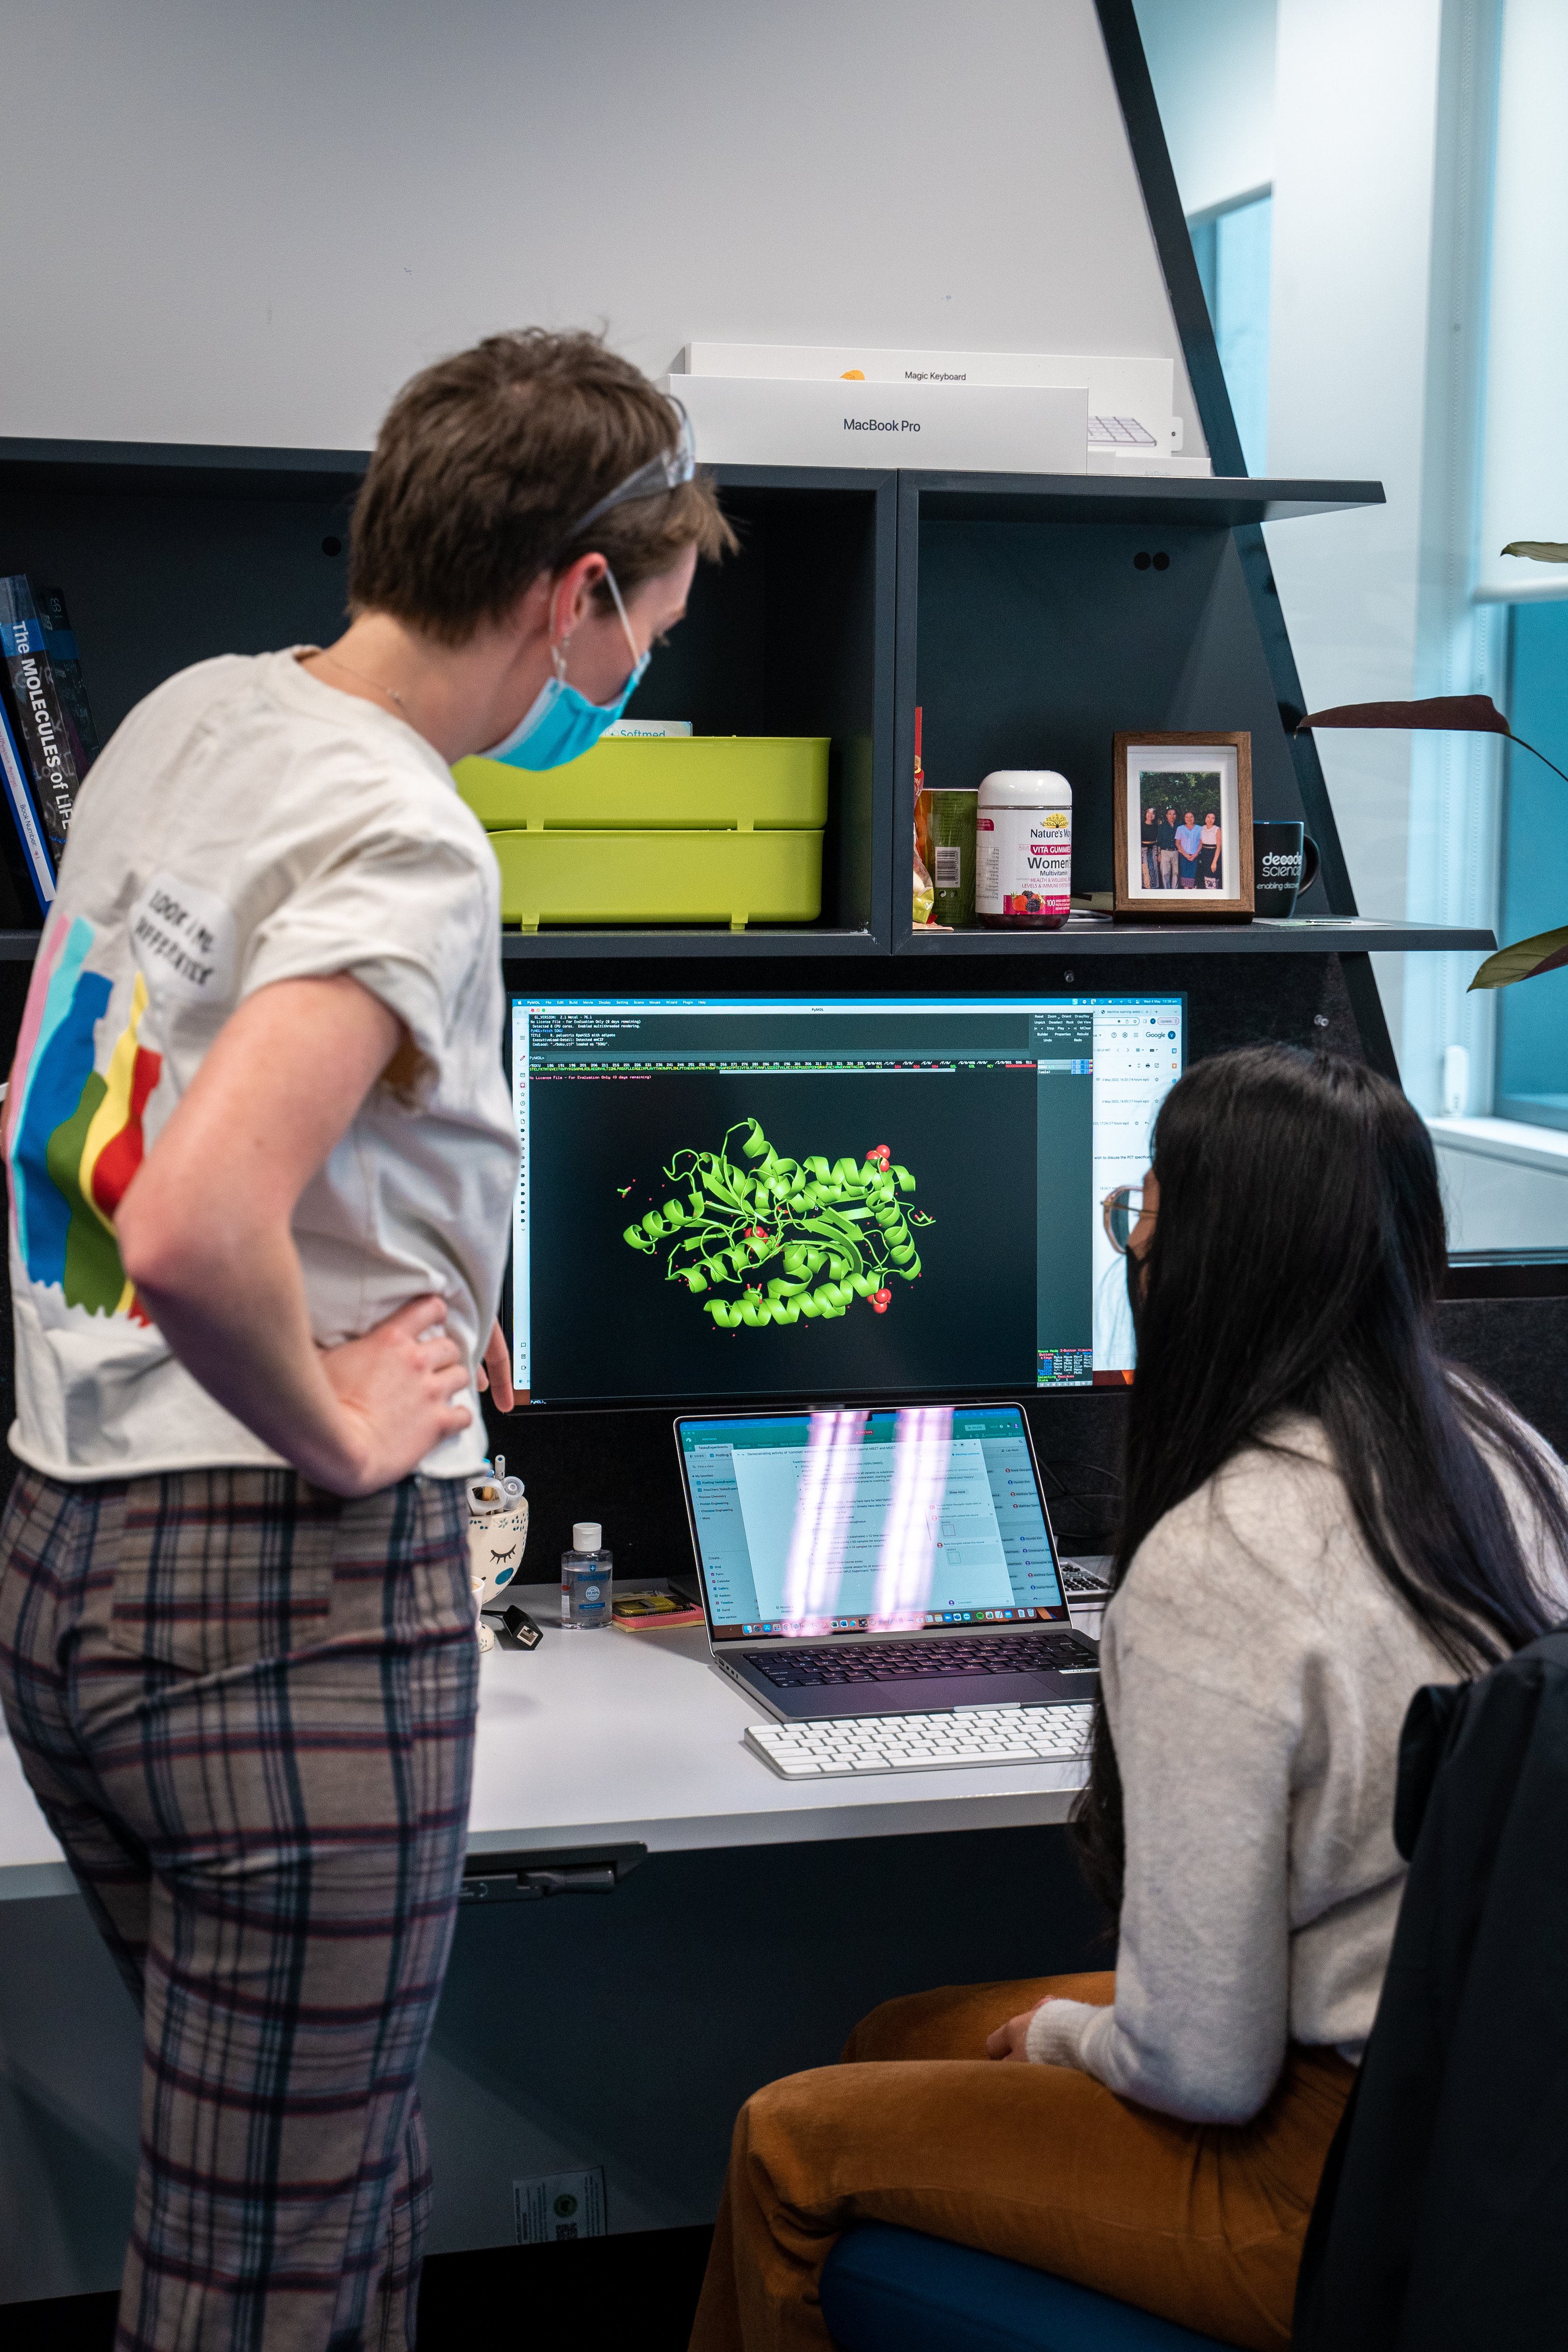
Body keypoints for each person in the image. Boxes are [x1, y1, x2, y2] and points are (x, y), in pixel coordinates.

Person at [0, 327, 733, 2352]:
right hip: (282, 1593)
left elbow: (49, 1128)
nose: (627, 685)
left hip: (73, 1552)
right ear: (572, 594)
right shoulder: (409, 835)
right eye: (643, 636)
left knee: (318, 2187)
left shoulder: (190, 721)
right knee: (270, 2273)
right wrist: (332, 1424)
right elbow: (194, 1212)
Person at [688, 1044, 1568, 2352]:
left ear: (1204, 1265)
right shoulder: (1500, 1450)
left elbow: (1203, 2071)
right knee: (895, 2033)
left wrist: (1060, 2037)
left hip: (1333, 2174)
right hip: (1496, 2109)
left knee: (781, 2138)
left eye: (1138, 1212)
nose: (1131, 1243)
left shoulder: (1220, 1558)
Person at [1175, 806, 1202, 887]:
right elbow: (1177, 843)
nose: (1189, 819)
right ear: (1184, 818)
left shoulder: (1199, 828)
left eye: (1191, 817)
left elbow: (1201, 842)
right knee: (1185, 875)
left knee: (1195, 875)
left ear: (1194, 818)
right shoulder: (1180, 828)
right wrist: (1186, 855)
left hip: (1196, 856)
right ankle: (1186, 892)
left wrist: (1196, 854)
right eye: (1187, 817)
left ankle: (1194, 892)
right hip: (1184, 856)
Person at [1154, 805, 1179, 888]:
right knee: (1165, 873)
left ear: (1176, 816)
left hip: (1176, 852)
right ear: (1167, 815)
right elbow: (1159, 842)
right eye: (1170, 814)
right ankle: (1166, 890)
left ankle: (1174, 890)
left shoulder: (1179, 827)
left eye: (1174, 814)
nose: (1172, 816)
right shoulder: (1162, 827)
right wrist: (1159, 854)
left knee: (1176, 873)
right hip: (1165, 852)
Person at [1199, 807, 1222, 887]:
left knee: (1213, 874)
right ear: (1205, 818)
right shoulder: (1202, 828)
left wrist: (1214, 862)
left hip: (1214, 853)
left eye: (1213, 818)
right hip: (1204, 854)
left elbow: (1219, 847)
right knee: (1205, 875)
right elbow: (1201, 843)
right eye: (1208, 817)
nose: (1210, 820)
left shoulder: (1217, 829)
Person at [1140, 804, 1158, 889]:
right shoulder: (1141, 826)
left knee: (1154, 868)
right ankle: (1147, 886)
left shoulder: (1156, 826)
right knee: (1145, 868)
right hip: (1144, 849)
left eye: (1153, 814)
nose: (1150, 815)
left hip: (1154, 850)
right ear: (1146, 814)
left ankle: (1155, 886)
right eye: (1149, 813)